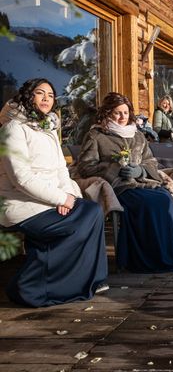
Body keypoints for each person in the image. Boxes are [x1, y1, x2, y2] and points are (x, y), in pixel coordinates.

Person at [0, 78, 108, 307]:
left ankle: (91, 279)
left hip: (47, 200)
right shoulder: (12, 129)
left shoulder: (48, 129)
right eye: (40, 93)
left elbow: (61, 171)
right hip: (20, 205)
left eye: (50, 94)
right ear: (28, 96)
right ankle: (28, 287)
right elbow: (22, 178)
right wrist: (61, 198)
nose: (47, 98)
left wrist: (71, 198)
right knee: (79, 222)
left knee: (92, 210)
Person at [75, 92, 173, 273]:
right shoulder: (96, 136)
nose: (122, 117)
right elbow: (85, 166)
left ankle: (169, 256)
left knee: (165, 197)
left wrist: (141, 170)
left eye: (125, 113)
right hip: (119, 186)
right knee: (147, 203)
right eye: (117, 113)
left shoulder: (138, 136)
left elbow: (151, 161)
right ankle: (146, 259)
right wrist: (114, 168)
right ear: (107, 113)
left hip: (142, 181)